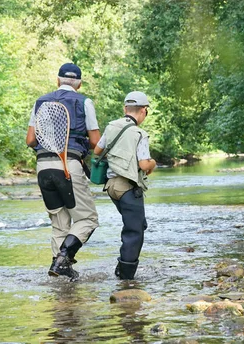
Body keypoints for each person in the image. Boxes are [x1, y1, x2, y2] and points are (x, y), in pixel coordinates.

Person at [26, 63, 100, 280]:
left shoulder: (40, 102)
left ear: (57, 81)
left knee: (59, 223)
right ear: (80, 83)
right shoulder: (85, 102)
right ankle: (63, 258)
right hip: (68, 166)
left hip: (43, 167)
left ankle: (59, 274)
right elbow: (96, 142)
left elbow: (30, 140)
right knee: (88, 219)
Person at [94, 91, 156, 280]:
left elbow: (97, 150)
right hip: (127, 186)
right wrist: (154, 163)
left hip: (111, 186)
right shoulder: (139, 134)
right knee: (134, 231)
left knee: (136, 225)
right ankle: (125, 278)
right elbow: (144, 165)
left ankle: (122, 268)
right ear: (144, 111)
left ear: (125, 109)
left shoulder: (112, 126)